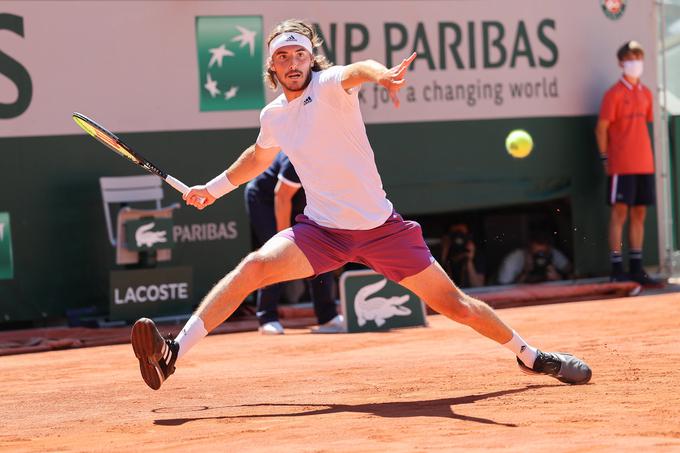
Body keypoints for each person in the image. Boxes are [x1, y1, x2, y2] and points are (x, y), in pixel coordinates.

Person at [131, 19, 591, 390]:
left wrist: (383, 73)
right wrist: (211, 189)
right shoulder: (273, 115)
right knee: (252, 267)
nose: (293, 62)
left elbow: (361, 69)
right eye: (282, 57)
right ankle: (172, 355)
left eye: (300, 54)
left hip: (382, 231)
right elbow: (258, 156)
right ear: (272, 68)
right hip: (321, 232)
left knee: (457, 306)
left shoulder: (332, 85)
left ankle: (532, 357)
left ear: (313, 58)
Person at [245, 150, 343, 334]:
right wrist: (284, 239)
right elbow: (281, 196)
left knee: (320, 249)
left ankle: (327, 317)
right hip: (265, 200)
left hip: (299, 202)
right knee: (276, 253)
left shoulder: (335, 158)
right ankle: (267, 317)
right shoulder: (300, 156)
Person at [595, 40, 662, 287]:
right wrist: (605, 157)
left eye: (638, 57)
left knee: (640, 214)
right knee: (619, 213)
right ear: (621, 63)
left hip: (644, 163)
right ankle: (616, 267)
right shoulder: (613, 94)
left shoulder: (645, 93)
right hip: (621, 164)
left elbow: (646, 124)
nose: (635, 62)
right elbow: (601, 129)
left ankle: (636, 267)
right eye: (630, 58)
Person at [497, 232, 572, 285]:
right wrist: (525, 273)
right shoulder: (513, 260)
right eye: (537, 254)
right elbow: (502, 287)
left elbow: (573, 274)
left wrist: (559, 279)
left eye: (544, 253)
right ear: (527, 251)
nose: (540, 256)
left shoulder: (553, 254)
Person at [440, 223, 485, 288]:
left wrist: (469, 261)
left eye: (462, 235)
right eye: (455, 234)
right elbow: (440, 286)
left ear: (469, 237)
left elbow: (478, 285)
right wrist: (444, 254)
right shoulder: (435, 256)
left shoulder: (476, 255)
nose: (458, 239)